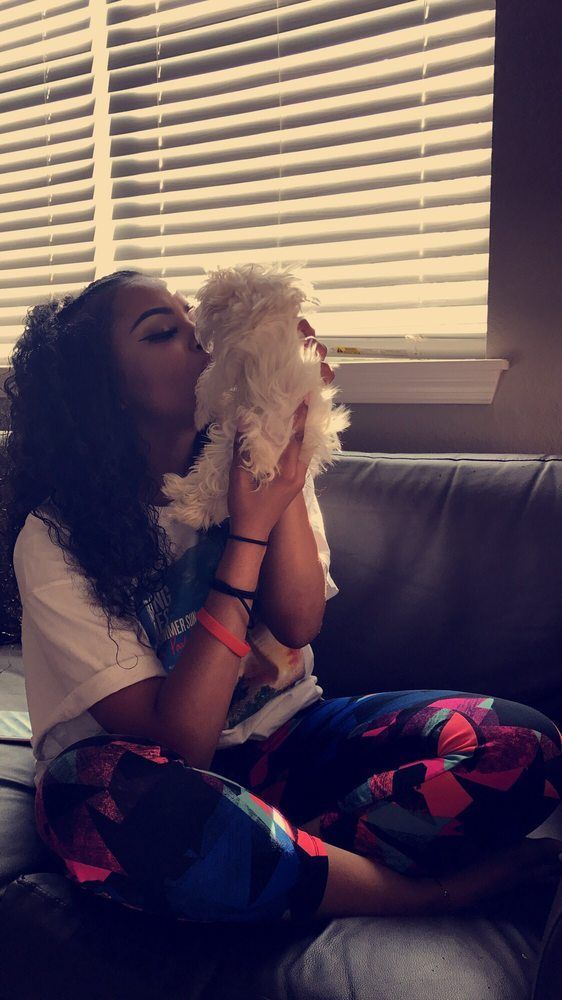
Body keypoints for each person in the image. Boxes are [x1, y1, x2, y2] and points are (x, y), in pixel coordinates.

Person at [3, 268, 562, 926]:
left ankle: (273, 864)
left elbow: (298, 622)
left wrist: (278, 441)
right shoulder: (56, 536)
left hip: (289, 742)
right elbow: (183, 745)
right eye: (161, 334)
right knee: (95, 802)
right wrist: (246, 534)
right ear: (108, 393)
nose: (199, 339)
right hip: (157, 777)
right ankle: (414, 892)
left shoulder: (255, 455)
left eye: (193, 320)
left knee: (523, 743)